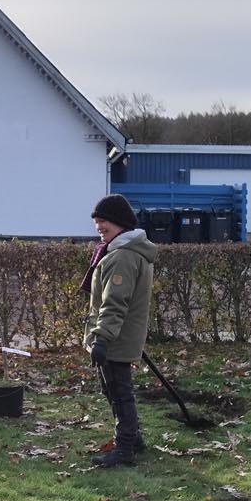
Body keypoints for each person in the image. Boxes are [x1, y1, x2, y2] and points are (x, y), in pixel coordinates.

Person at [82, 194, 158, 467]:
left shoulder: (123, 256)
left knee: (118, 391)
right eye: (97, 223)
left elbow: (115, 302)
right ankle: (132, 438)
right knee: (116, 390)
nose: (100, 227)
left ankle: (125, 448)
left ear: (121, 224)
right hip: (119, 336)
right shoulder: (122, 251)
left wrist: (101, 339)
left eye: (105, 223)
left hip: (114, 338)